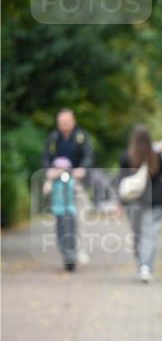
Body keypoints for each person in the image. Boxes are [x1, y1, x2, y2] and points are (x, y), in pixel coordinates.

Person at [42, 108, 94, 271]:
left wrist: (82, 169)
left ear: (73, 121)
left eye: (66, 122)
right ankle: (66, 252)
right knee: (59, 216)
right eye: (61, 122)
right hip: (58, 182)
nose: (63, 125)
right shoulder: (53, 138)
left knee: (78, 217)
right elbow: (45, 158)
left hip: (77, 182)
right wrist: (49, 171)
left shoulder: (81, 137)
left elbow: (88, 156)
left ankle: (79, 250)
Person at [119, 126, 162, 283]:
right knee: (150, 235)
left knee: (139, 234)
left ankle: (143, 264)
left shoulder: (126, 157)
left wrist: (119, 202)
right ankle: (145, 266)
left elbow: (121, 178)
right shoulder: (155, 155)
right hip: (154, 200)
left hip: (133, 201)